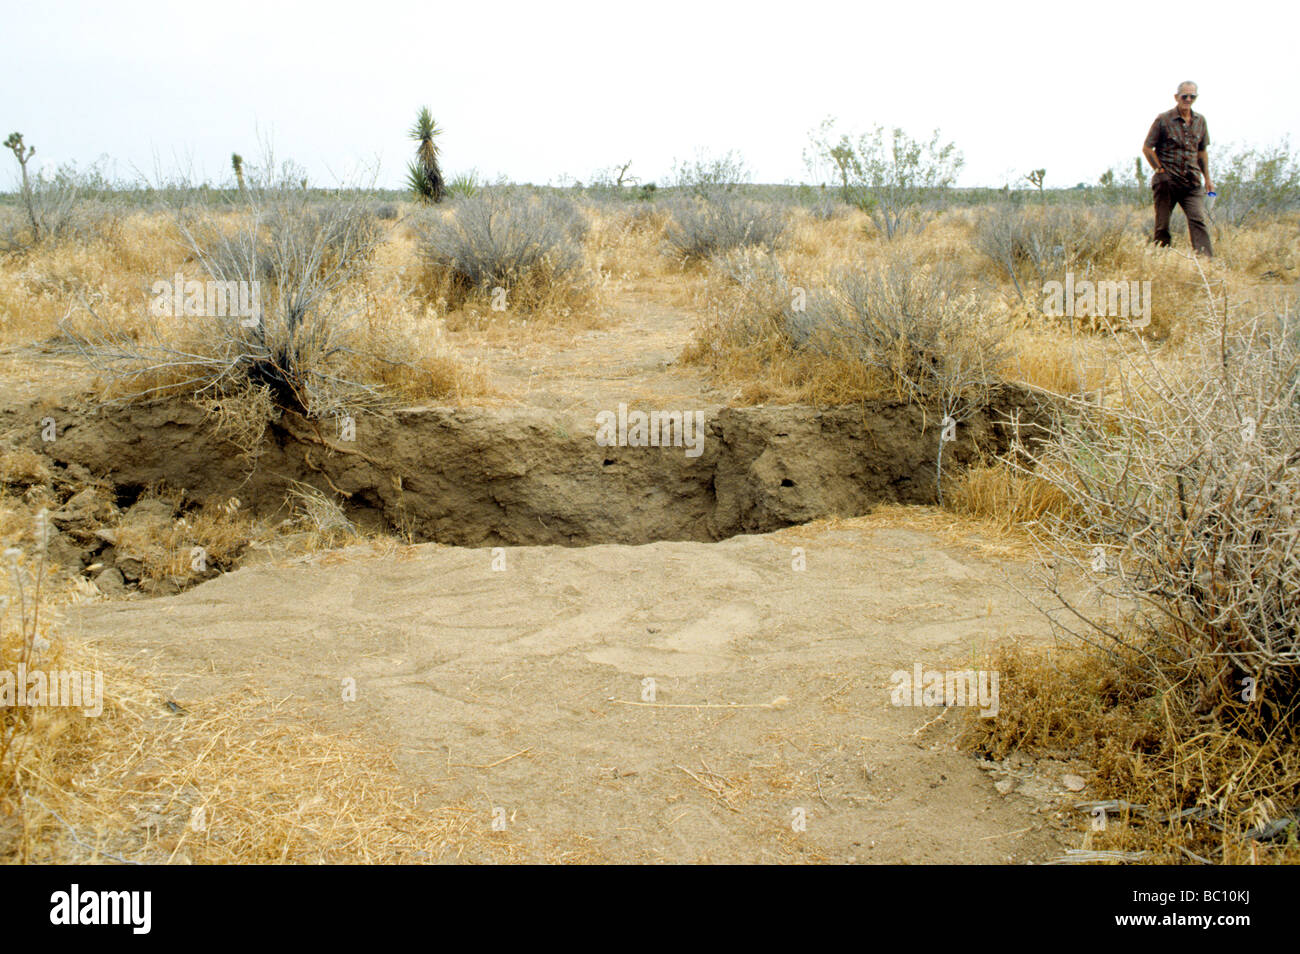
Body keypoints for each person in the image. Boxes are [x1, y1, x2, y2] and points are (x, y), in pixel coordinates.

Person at [1143, 81, 1214, 257]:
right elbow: (1147, 147)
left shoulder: (1200, 121)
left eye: (1192, 96)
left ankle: (1206, 263)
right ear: (1176, 97)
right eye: (1185, 96)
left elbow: (1202, 151)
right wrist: (1159, 170)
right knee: (1162, 225)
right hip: (1167, 182)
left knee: (1198, 220)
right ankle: (1160, 259)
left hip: (1192, 182)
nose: (1188, 99)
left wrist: (1208, 179)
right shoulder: (1163, 119)